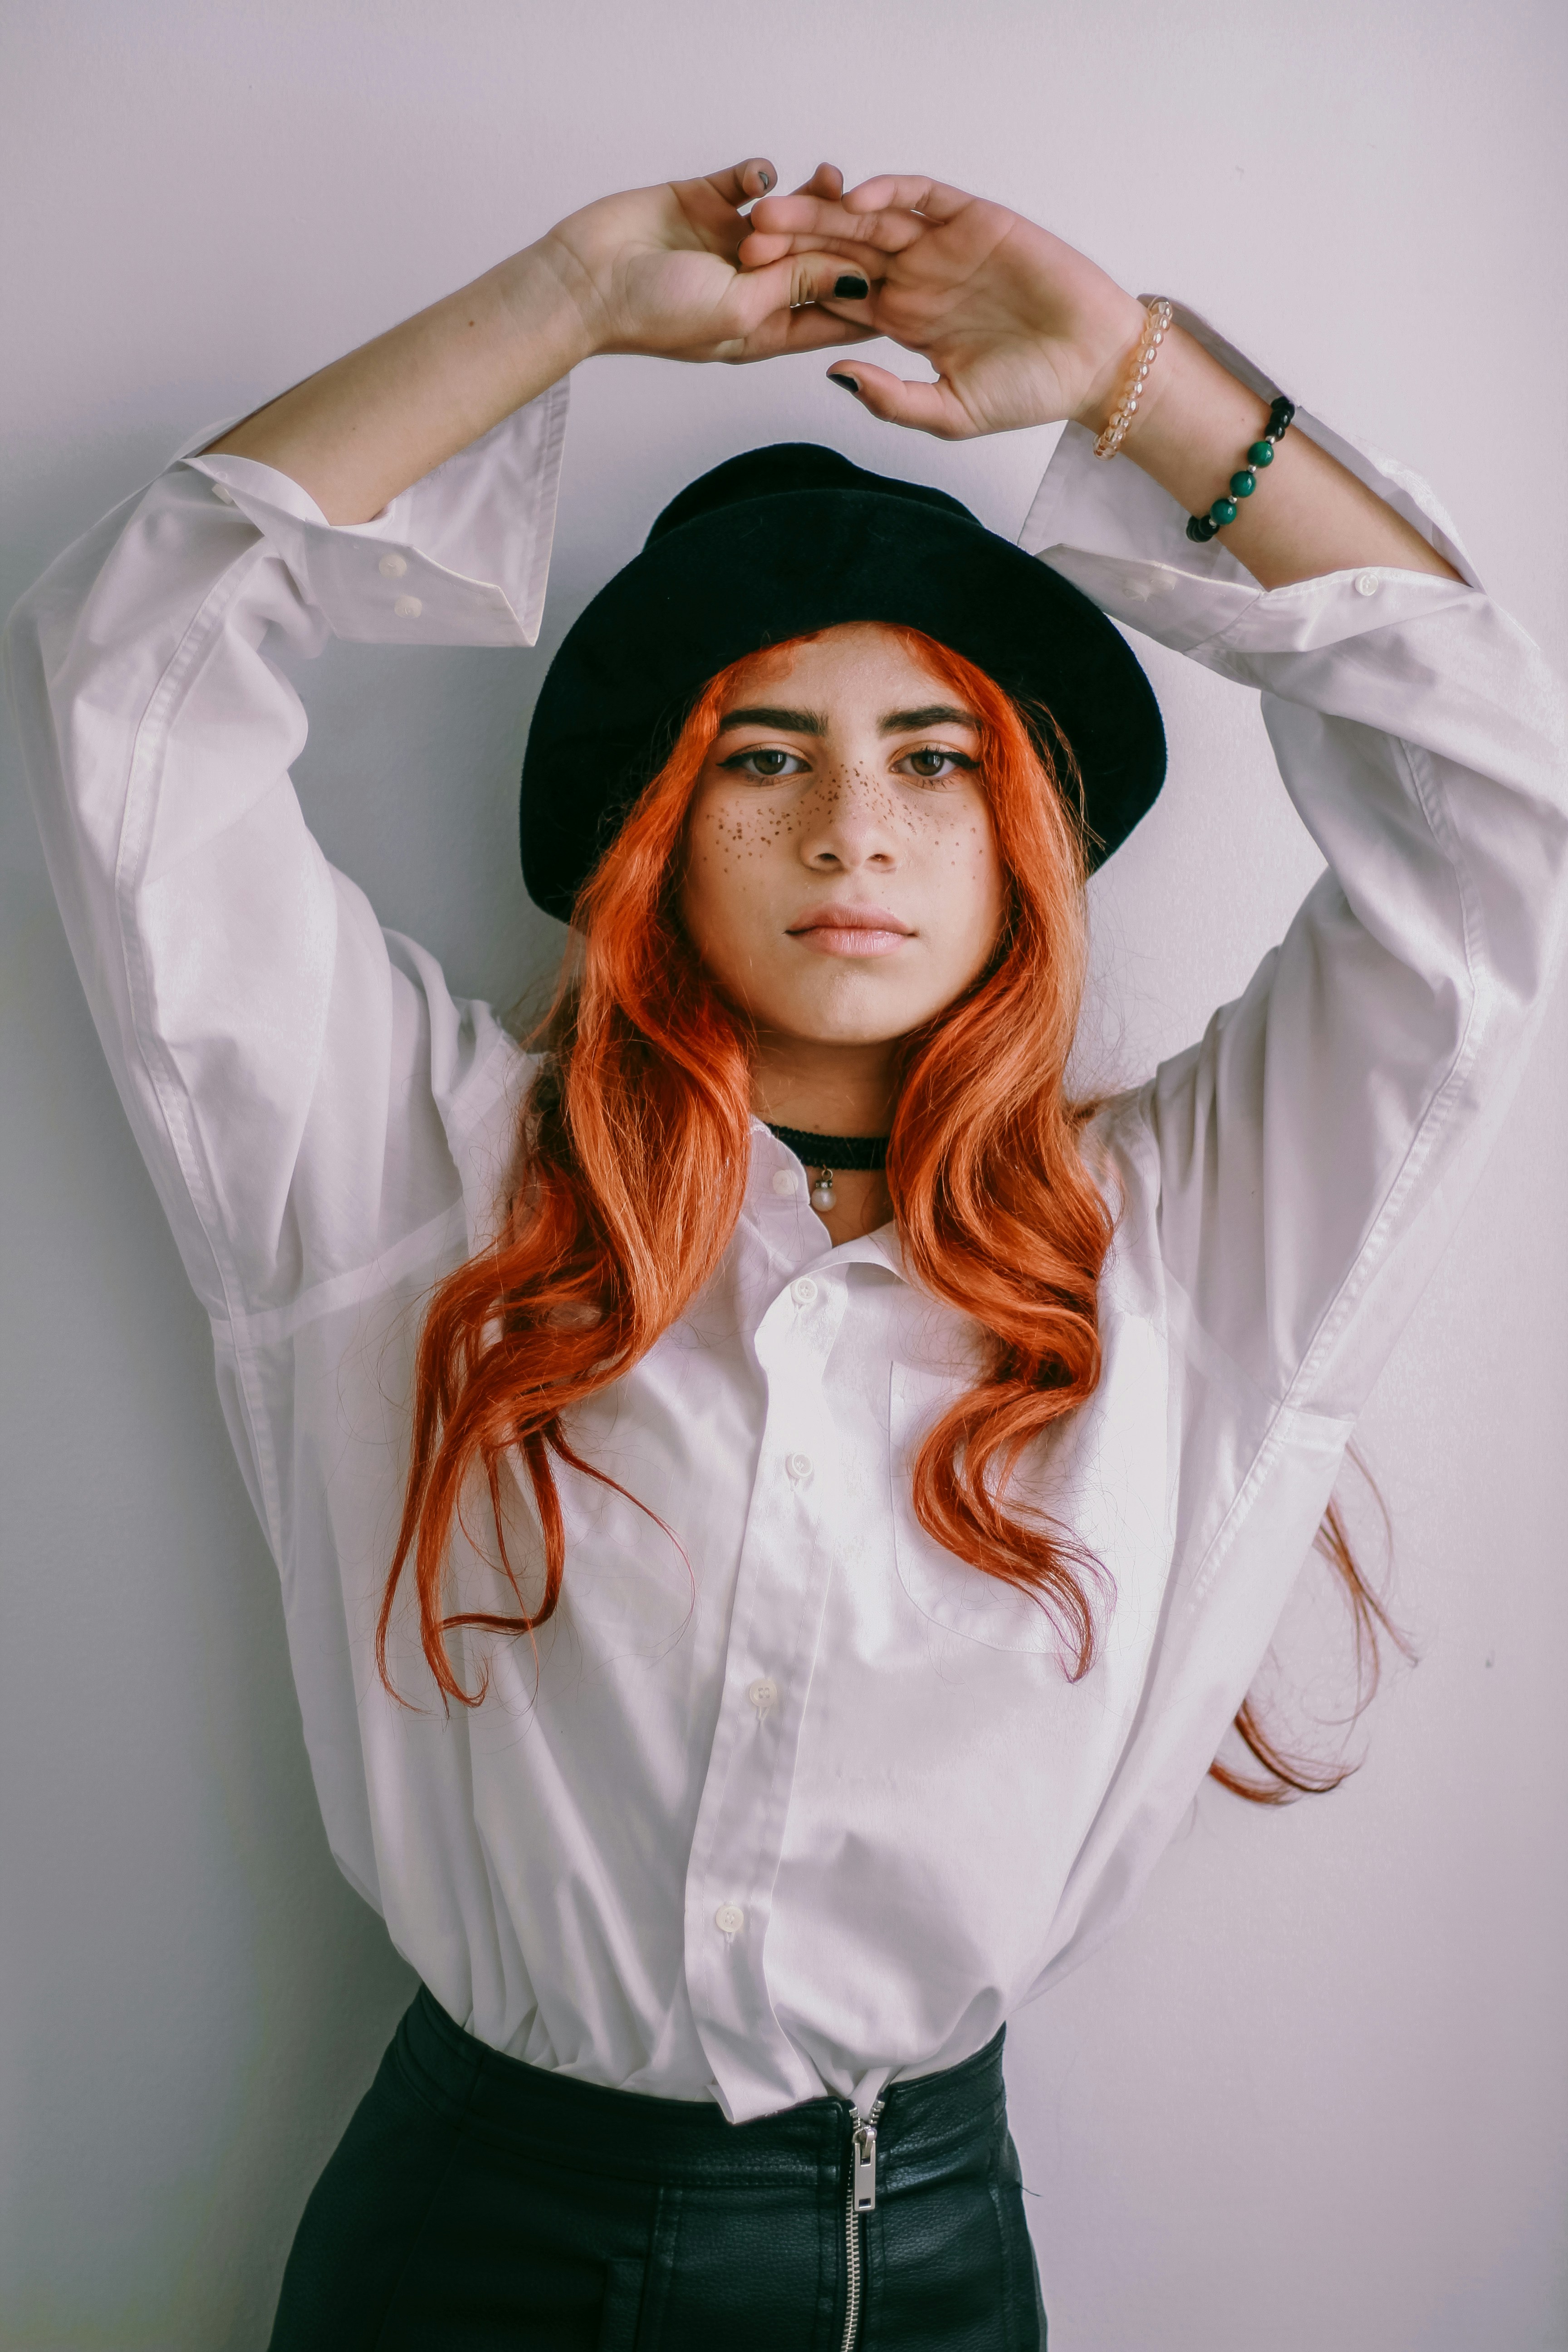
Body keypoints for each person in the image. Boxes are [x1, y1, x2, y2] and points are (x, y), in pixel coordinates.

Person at [6, 154, 1564, 2350]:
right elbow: (126, 688)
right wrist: (558, 299)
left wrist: (1132, 377)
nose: (856, 831)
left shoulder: (1202, 1242)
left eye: (938, 759)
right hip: (466, 2243)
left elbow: (1498, 794)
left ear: (1028, 836)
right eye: (767, 759)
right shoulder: (408, 1179)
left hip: (915, 2260)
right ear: (659, 829)